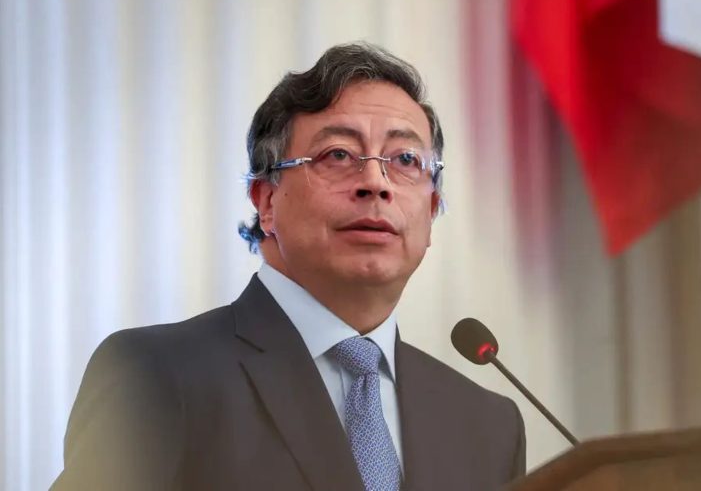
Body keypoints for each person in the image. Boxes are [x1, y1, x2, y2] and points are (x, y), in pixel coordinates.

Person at [52, 42, 526, 490]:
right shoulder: (155, 376)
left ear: (432, 209)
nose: (376, 182)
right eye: (338, 155)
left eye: (405, 159)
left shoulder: (487, 424)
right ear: (266, 201)